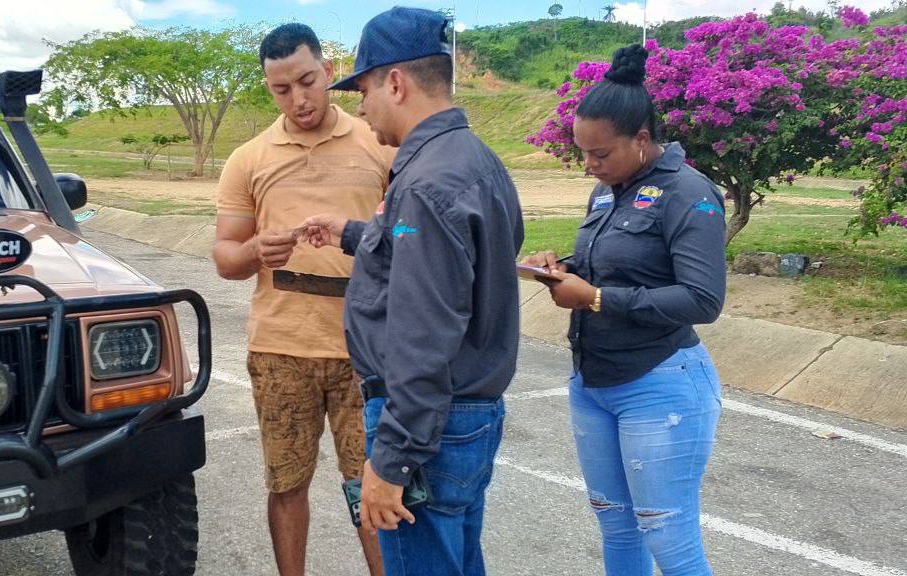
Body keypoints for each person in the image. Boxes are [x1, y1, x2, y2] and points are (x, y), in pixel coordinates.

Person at [300, 7, 524, 575]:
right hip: (468, 413)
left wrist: (393, 460)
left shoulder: (425, 181)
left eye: (366, 88)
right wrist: (353, 234)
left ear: (395, 82)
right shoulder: (476, 161)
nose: (360, 104)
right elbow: (450, 265)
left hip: (430, 427)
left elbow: (424, 331)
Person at [521, 44, 726, 576]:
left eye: (601, 155)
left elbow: (703, 300)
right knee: (616, 525)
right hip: (594, 383)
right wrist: (559, 266)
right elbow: (615, 263)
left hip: (660, 383)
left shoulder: (689, 192)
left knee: (669, 539)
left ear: (641, 140)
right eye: (583, 154)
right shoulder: (607, 192)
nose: (590, 166)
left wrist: (595, 298)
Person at [211, 22, 393, 576]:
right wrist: (253, 252)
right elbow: (224, 257)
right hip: (280, 348)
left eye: (308, 81)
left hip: (365, 350)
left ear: (329, 70)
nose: (299, 99)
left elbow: (413, 242)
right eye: (281, 89)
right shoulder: (250, 158)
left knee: (375, 489)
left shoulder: (379, 143)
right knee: (286, 484)